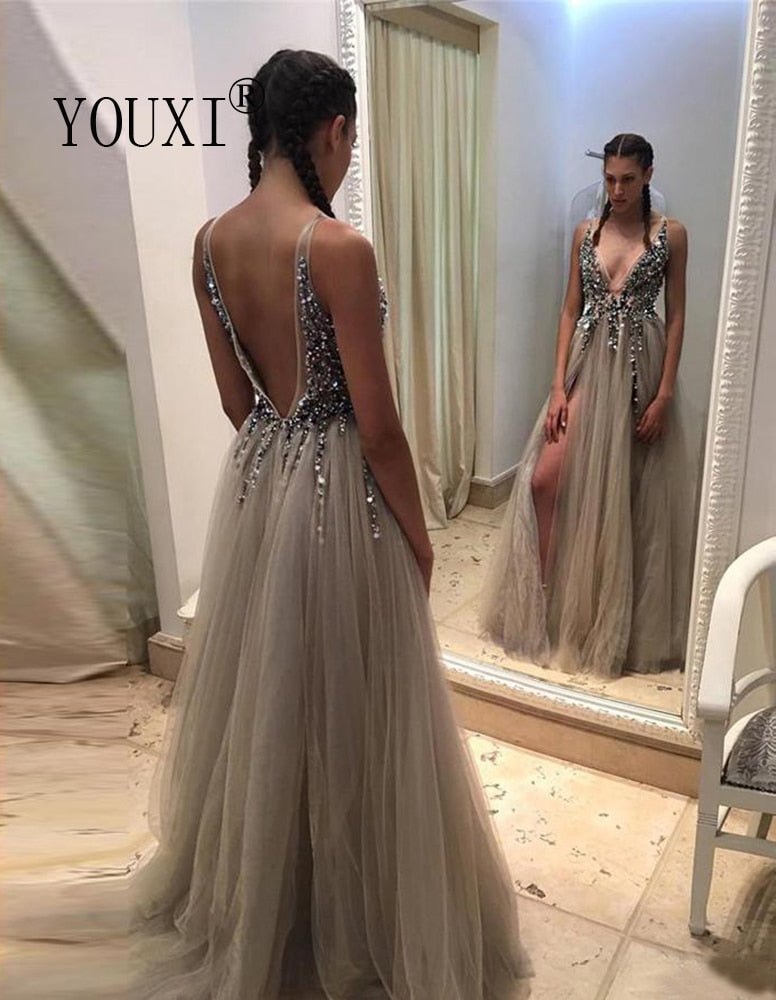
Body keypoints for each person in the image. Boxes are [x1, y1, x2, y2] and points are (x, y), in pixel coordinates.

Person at [129, 49, 532, 1000]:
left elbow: (236, 401)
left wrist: (281, 457)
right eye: (350, 140)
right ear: (334, 129)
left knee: (268, 699)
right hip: (339, 492)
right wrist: (420, 539)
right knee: (354, 703)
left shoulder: (208, 243)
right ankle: (354, 914)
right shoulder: (336, 247)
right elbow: (379, 427)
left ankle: (273, 903)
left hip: (260, 481)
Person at [481, 133, 693, 679]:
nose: (617, 190)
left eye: (628, 180)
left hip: (641, 371)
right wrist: (557, 387)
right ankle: (543, 606)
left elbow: (676, 316)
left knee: (627, 495)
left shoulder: (670, 235)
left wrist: (666, 392)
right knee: (544, 479)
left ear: (648, 175)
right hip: (585, 365)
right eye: (609, 179)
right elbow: (568, 309)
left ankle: (611, 624)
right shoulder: (586, 232)